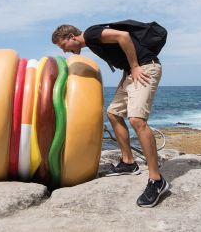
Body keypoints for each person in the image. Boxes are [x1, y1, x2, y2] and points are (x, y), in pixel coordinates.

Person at [51, 21, 169, 207]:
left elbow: (124, 37)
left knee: (137, 120)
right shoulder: (92, 43)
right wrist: (126, 77)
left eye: (63, 46)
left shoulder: (91, 34)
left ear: (71, 37)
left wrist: (135, 66)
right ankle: (128, 162)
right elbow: (122, 53)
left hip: (145, 68)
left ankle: (156, 179)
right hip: (131, 73)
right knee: (113, 113)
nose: (65, 51)